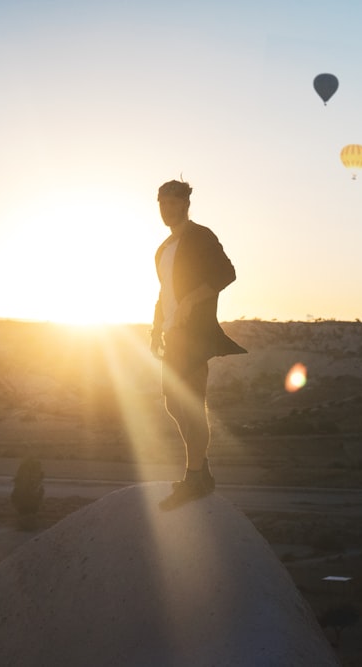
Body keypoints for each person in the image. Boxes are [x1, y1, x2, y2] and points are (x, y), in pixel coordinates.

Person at [150, 179, 246, 510]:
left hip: (194, 335)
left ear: (184, 204)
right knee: (173, 405)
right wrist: (154, 331)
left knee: (191, 404)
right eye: (160, 202)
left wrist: (194, 298)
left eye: (170, 202)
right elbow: (163, 295)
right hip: (171, 336)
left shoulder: (201, 236)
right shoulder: (162, 249)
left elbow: (227, 273)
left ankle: (194, 478)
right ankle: (201, 471)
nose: (164, 208)